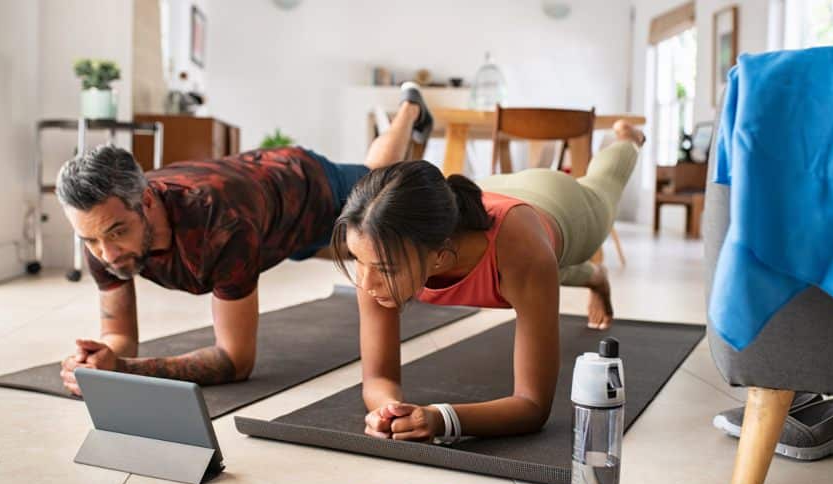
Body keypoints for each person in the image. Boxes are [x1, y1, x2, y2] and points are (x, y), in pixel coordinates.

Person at [56, 84, 434, 396]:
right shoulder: (103, 230)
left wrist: (122, 370)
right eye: (90, 240)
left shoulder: (219, 226)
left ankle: (410, 109)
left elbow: (235, 360)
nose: (105, 253)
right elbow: (119, 335)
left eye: (117, 233)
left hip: (308, 190)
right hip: (265, 222)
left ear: (148, 201)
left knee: (381, 178)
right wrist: (100, 360)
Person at [330, 121, 644, 441]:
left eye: (384, 268)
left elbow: (532, 405)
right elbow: (378, 377)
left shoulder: (524, 254)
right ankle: (592, 277)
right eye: (358, 260)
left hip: (558, 203)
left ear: (438, 256)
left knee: (603, 189)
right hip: (487, 196)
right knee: (533, 279)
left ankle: (628, 140)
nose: (366, 282)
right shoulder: (379, 244)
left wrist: (443, 420)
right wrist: (389, 411)